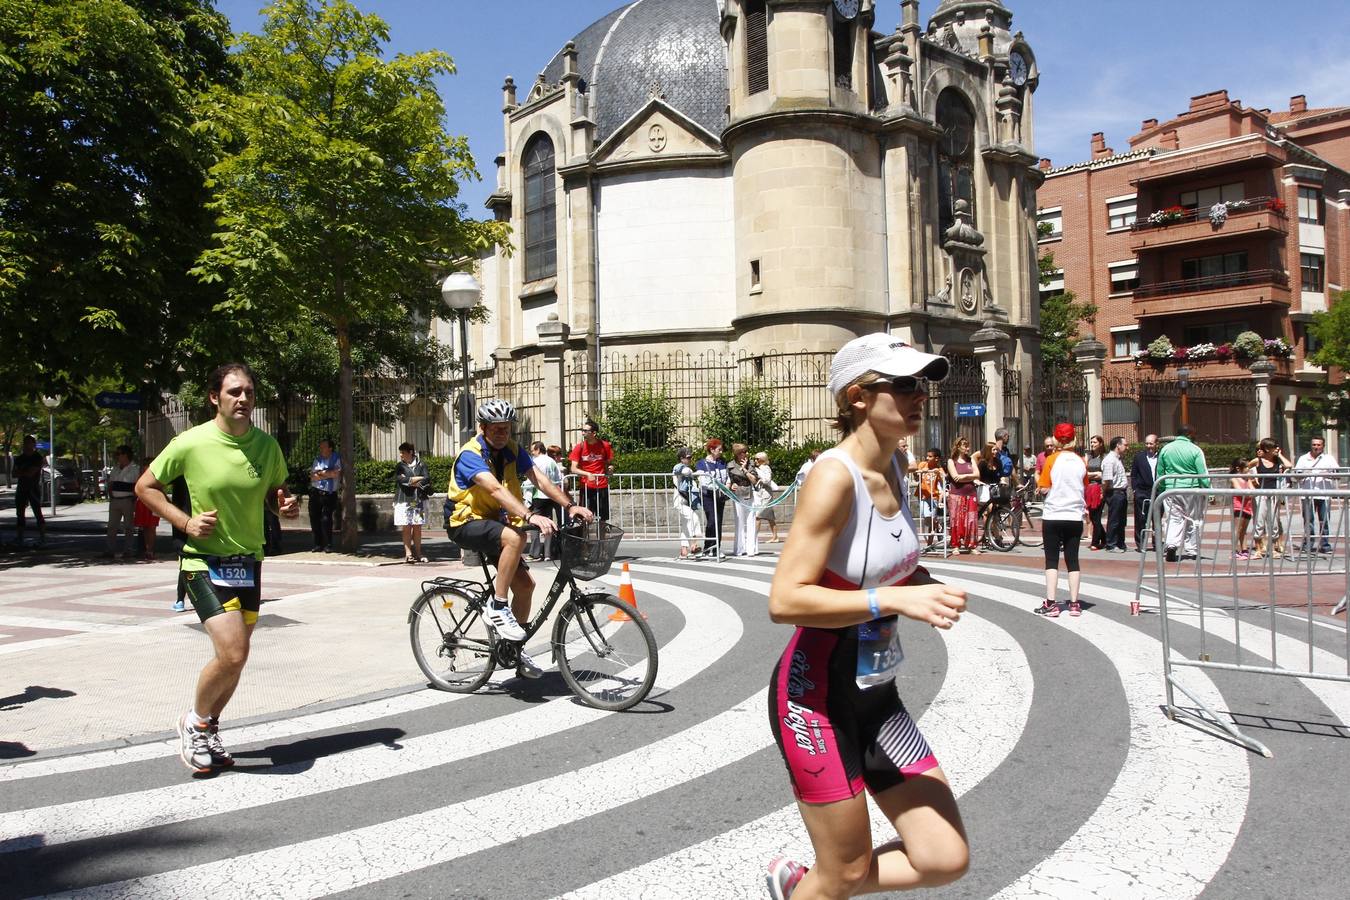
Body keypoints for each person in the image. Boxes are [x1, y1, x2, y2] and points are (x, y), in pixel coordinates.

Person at [765, 332, 967, 900]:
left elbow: (878, 568)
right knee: (846, 873)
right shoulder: (834, 477)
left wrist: (922, 586)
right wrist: (892, 599)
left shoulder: (896, 465)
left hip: (877, 696)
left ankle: (808, 887)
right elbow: (785, 600)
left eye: (922, 384)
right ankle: (819, 887)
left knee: (945, 856)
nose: (918, 395)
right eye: (902, 385)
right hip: (814, 701)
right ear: (857, 396)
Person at [135, 362, 299, 774]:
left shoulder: (266, 446)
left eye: (248, 391)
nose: (243, 399)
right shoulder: (191, 443)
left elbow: (276, 494)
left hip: (249, 562)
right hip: (202, 562)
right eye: (234, 392)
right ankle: (194, 722)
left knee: (236, 659)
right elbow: (145, 487)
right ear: (215, 398)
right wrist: (185, 522)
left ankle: (209, 728)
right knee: (233, 651)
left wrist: (285, 505)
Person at [444, 400, 593, 679]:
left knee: (526, 586)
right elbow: (495, 490)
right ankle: (497, 605)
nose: (502, 434)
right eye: (496, 429)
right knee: (517, 536)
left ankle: (514, 649)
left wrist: (569, 506)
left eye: (507, 429)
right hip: (464, 522)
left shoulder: (513, 450)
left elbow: (541, 481)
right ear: (483, 428)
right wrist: (530, 515)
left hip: (493, 522)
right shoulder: (470, 454)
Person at [1035, 422, 1088, 617]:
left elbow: (1043, 486)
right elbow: (1084, 484)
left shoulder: (1051, 460)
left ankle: (1051, 603)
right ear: (1073, 439)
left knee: (1052, 560)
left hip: (1054, 513)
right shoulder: (1080, 461)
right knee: (1073, 560)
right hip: (1074, 515)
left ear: (1056, 440)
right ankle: (1074, 603)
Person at [1156, 424, 1210, 562]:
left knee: (1173, 518)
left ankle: (1171, 545)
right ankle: (1192, 550)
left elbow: (1160, 471)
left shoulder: (1166, 449)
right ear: (1190, 434)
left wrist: (1162, 487)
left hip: (1171, 488)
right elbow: (1203, 473)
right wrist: (1209, 491)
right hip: (1192, 488)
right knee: (1194, 519)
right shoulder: (1195, 450)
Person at [1248, 438, 1291, 559]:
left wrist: (1280, 455)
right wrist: (1252, 481)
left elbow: (1289, 465)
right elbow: (1245, 469)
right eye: (1275, 447)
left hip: (1273, 495)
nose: (1277, 448)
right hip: (1260, 495)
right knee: (1259, 522)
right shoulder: (1258, 460)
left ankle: (1272, 549)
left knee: (1274, 523)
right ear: (1267, 449)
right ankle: (1258, 549)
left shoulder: (1277, 461)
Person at [1293, 437, 1337, 553]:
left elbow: (1338, 474)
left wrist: (1327, 474)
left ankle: (1325, 545)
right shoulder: (1303, 459)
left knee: (1324, 521)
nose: (1316, 447)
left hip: (1324, 494)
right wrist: (1306, 473)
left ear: (1323, 446)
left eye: (1318, 445)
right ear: (1311, 445)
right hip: (1307, 494)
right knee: (1308, 521)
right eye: (1314, 445)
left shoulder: (1329, 458)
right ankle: (1308, 544)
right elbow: (1295, 476)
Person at [568, 419, 614, 522]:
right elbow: (573, 468)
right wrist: (587, 474)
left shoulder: (604, 445)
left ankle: (602, 538)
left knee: (603, 518)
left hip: (602, 485)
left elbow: (609, 463)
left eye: (585, 430)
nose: (583, 432)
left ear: (594, 433)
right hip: (586, 486)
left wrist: (610, 469)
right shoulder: (579, 447)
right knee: (585, 516)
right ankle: (585, 538)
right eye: (582, 430)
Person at [524, 440, 561, 561]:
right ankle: (548, 553)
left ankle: (535, 553)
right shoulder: (551, 461)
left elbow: (531, 478)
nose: (532, 452)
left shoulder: (536, 461)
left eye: (533, 450)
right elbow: (558, 478)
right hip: (551, 495)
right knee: (548, 523)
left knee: (535, 523)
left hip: (539, 495)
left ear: (538, 450)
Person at [395, 442, 431, 564]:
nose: (401, 455)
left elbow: (427, 479)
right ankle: (408, 554)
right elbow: (401, 480)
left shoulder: (422, 464)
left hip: (419, 500)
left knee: (417, 526)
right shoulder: (399, 466)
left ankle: (419, 553)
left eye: (403, 452)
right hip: (404, 500)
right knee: (406, 526)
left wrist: (411, 480)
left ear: (410, 452)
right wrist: (416, 479)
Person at [945, 437, 980, 553]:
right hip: (956, 494)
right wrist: (970, 477)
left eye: (968, 446)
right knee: (956, 520)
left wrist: (963, 477)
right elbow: (955, 477)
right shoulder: (952, 461)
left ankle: (971, 545)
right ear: (958, 446)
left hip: (971, 494)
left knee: (971, 520)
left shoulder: (971, 460)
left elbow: (977, 475)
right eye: (965, 446)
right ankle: (956, 545)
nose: (967, 448)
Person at [11, 435, 47, 547]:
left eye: (29, 443)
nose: (26, 445)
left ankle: (42, 538)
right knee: (20, 513)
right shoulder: (20, 458)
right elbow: (14, 474)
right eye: (25, 443)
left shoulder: (37, 457)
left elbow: (31, 473)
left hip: (33, 488)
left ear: (33, 444)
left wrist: (21, 472)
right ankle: (20, 538)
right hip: (21, 487)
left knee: (37, 512)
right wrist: (24, 472)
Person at [105, 445, 139, 559]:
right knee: (112, 526)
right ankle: (110, 550)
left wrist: (133, 499)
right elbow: (111, 483)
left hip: (127, 500)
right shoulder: (115, 468)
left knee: (128, 526)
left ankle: (128, 550)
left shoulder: (135, 469)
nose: (117, 456)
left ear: (126, 455)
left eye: (119, 454)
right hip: (115, 500)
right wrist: (111, 494)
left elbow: (137, 485)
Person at [696, 439, 729, 558]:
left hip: (720, 495)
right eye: (719, 449)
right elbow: (703, 481)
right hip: (708, 496)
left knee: (718, 521)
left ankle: (716, 549)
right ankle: (708, 546)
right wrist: (719, 487)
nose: (721, 452)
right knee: (712, 521)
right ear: (712, 449)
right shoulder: (701, 463)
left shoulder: (722, 462)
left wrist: (727, 485)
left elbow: (727, 476)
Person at [308, 438, 341, 552]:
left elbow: (335, 473)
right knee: (314, 518)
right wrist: (327, 473)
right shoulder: (318, 459)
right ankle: (317, 544)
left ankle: (328, 544)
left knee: (326, 519)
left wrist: (321, 473)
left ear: (330, 448)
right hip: (315, 491)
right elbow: (313, 476)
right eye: (320, 446)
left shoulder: (336, 458)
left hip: (329, 493)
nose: (321, 449)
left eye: (323, 446)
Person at [727, 443, 760, 557]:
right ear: (737, 454)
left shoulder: (750, 464)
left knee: (751, 520)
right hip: (737, 494)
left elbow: (754, 480)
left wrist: (745, 469)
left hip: (749, 493)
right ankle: (739, 549)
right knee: (739, 521)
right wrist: (731, 485)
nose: (745, 454)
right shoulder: (730, 465)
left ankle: (751, 549)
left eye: (746, 451)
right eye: (743, 452)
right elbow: (728, 481)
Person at [671, 447, 703, 559]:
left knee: (686, 524)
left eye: (691, 457)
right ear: (681, 458)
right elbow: (684, 471)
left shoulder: (687, 468)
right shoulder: (679, 466)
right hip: (679, 499)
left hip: (687, 499)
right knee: (692, 518)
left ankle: (684, 550)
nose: (690, 459)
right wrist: (694, 473)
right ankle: (694, 545)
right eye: (688, 457)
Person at [1129, 433, 1159, 552]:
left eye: (1151, 443)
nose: (1148, 446)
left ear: (1157, 444)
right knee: (1141, 519)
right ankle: (1141, 544)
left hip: (1157, 492)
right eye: (1146, 443)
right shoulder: (1139, 457)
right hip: (1142, 492)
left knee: (1156, 519)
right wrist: (1135, 489)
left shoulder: (1162, 457)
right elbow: (1134, 475)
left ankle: (1157, 544)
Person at [914, 448, 945, 549]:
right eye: (927, 456)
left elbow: (943, 480)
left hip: (933, 497)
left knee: (931, 520)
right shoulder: (923, 464)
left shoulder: (939, 469)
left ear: (937, 458)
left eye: (930, 456)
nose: (927, 458)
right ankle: (938, 525)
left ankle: (929, 544)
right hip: (923, 495)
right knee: (927, 518)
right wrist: (921, 472)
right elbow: (915, 476)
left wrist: (939, 473)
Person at [1101, 437, 1129, 552]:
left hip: (1121, 492)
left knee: (1121, 520)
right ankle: (1111, 544)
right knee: (1114, 519)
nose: (1127, 447)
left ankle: (1120, 543)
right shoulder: (1110, 460)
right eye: (1125, 445)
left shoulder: (1117, 459)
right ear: (1118, 445)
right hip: (1114, 492)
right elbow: (1106, 480)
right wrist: (1104, 494)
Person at [169, 476, 192, 612]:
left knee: (184, 562)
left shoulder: (178, 472)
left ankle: (179, 600)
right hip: (184, 522)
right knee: (185, 561)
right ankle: (180, 599)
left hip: (183, 522)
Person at [975, 439, 1001, 546]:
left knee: (994, 513)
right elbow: (977, 476)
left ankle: (992, 536)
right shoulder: (982, 463)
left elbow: (1000, 476)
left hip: (995, 489)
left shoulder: (998, 462)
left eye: (996, 450)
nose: (995, 452)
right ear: (988, 451)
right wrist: (978, 482)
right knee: (989, 511)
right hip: (984, 489)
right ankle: (991, 536)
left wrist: (1002, 480)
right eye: (993, 450)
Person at [753, 451, 783, 543]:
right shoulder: (758, 468)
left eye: (757, 459)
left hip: (766, 494)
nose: (755, 460)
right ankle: (775, 536)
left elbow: (767, 480)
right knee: (770, 517)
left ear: (763, 460)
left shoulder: (766, 468)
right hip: (760, 493)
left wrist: (759, 477)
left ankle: (753, 537)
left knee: (757, 515)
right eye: (755, 458)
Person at [134, 457, 160, 561]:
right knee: (144, 527)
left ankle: (151, 550)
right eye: (145, 464)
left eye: (147, 464)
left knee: (152, 527)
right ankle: (146, 549)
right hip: (142, 503)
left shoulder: (157, 475)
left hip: (153, 502)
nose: (146, 466)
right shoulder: (141, 476)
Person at [1084, 435, 1106, 550]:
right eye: (1091, 442)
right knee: (1092, 516)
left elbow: (1104, 475)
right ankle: (1105, 538)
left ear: (1101, 443)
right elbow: (1084, 473)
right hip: (1089, 488)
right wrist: (1095, 474)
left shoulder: (1104, 457)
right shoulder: (1088, 456)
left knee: (1096, 516)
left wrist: (1092, 474)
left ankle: (1095, 541)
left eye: (1095, 442)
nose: (1092, 444)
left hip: (1099, 488)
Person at [1229, 458, 1254, 559]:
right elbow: (1239, 491)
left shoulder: (1247, 479)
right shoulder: (1234, 478)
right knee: (1237, 529)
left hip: (1247, 506)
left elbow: (1253, 491)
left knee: (1244, 530)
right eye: (1246, 467)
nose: (1249, 469)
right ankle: (1234, 551)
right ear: (1238, 468)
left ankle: (1244, 550)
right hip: (1238, 506)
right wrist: (1248, 493)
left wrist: (1249, 492)